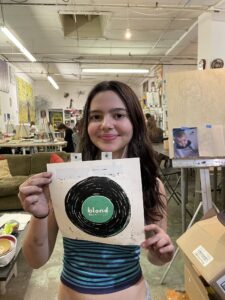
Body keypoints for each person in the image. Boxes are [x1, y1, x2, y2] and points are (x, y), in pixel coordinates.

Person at [18, 81, 174, 300]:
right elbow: (36, 260)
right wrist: (39, 214)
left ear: (136, 122)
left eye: (119, 115)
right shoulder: (66, 180)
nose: (105, 124)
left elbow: (155, 257)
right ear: (86, 123)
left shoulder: (148, 183)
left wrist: (162, 253)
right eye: (96, 116)